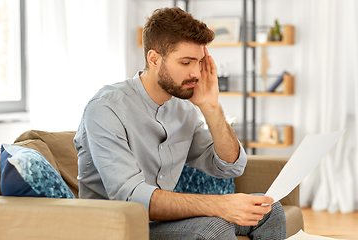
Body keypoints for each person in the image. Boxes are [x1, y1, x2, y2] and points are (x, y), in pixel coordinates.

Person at [74, 7, 286, 240]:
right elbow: (132, 198)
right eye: (186, 62)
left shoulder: (183, 109)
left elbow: (229, 167)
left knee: (269, 210)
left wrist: (211, 107)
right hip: (118, 226)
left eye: (199, 62)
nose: (196, 72)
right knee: (213, 229)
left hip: (162, 221)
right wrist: (220, 205)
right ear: (154, 59)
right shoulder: (106, 108)